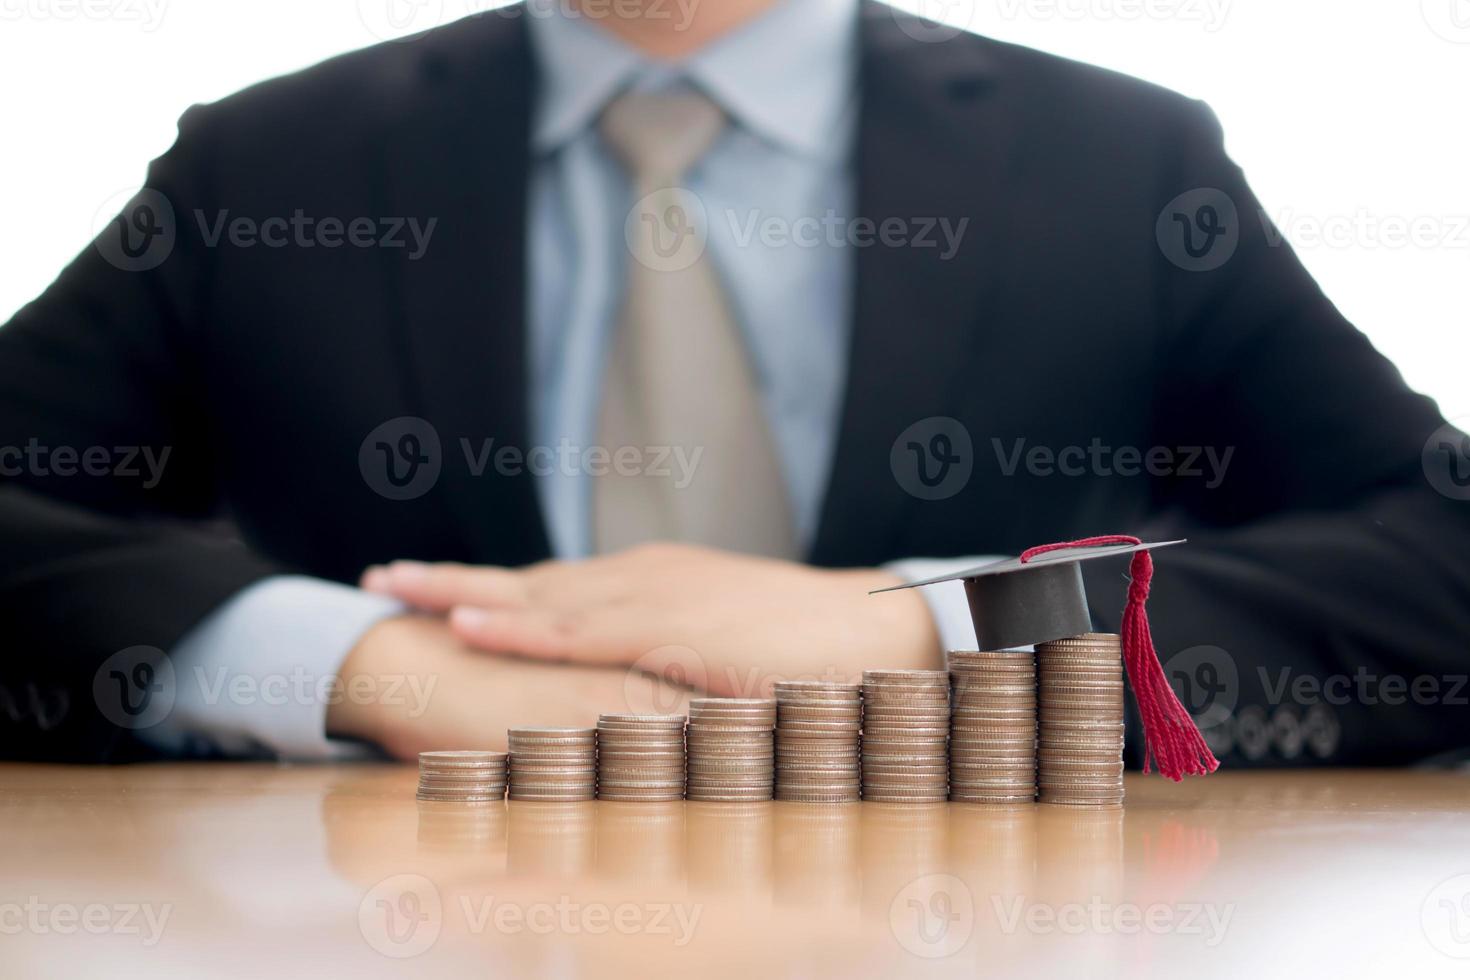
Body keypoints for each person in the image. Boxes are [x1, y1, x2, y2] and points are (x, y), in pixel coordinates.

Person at [2, 0, 1466, 766]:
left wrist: (938, 627)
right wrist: (358, 668)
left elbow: (1438, 553)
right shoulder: (273, 162)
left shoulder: (1115, 156)